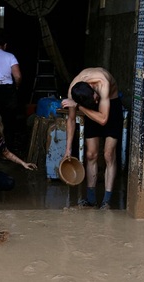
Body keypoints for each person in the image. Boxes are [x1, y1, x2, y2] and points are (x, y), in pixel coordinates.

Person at [60, 67, 123, 210]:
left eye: (95, 99)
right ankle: (91, 200)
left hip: (110, 107)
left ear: (93, 89)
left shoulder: (102, 83)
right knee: (91, 154)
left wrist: (80, 107)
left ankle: (106, 201)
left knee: (108, 154)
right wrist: (68, 149)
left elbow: (103, 120)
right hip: (88, 108)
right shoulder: (73, 91)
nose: (96, 101)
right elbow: (70, 120)